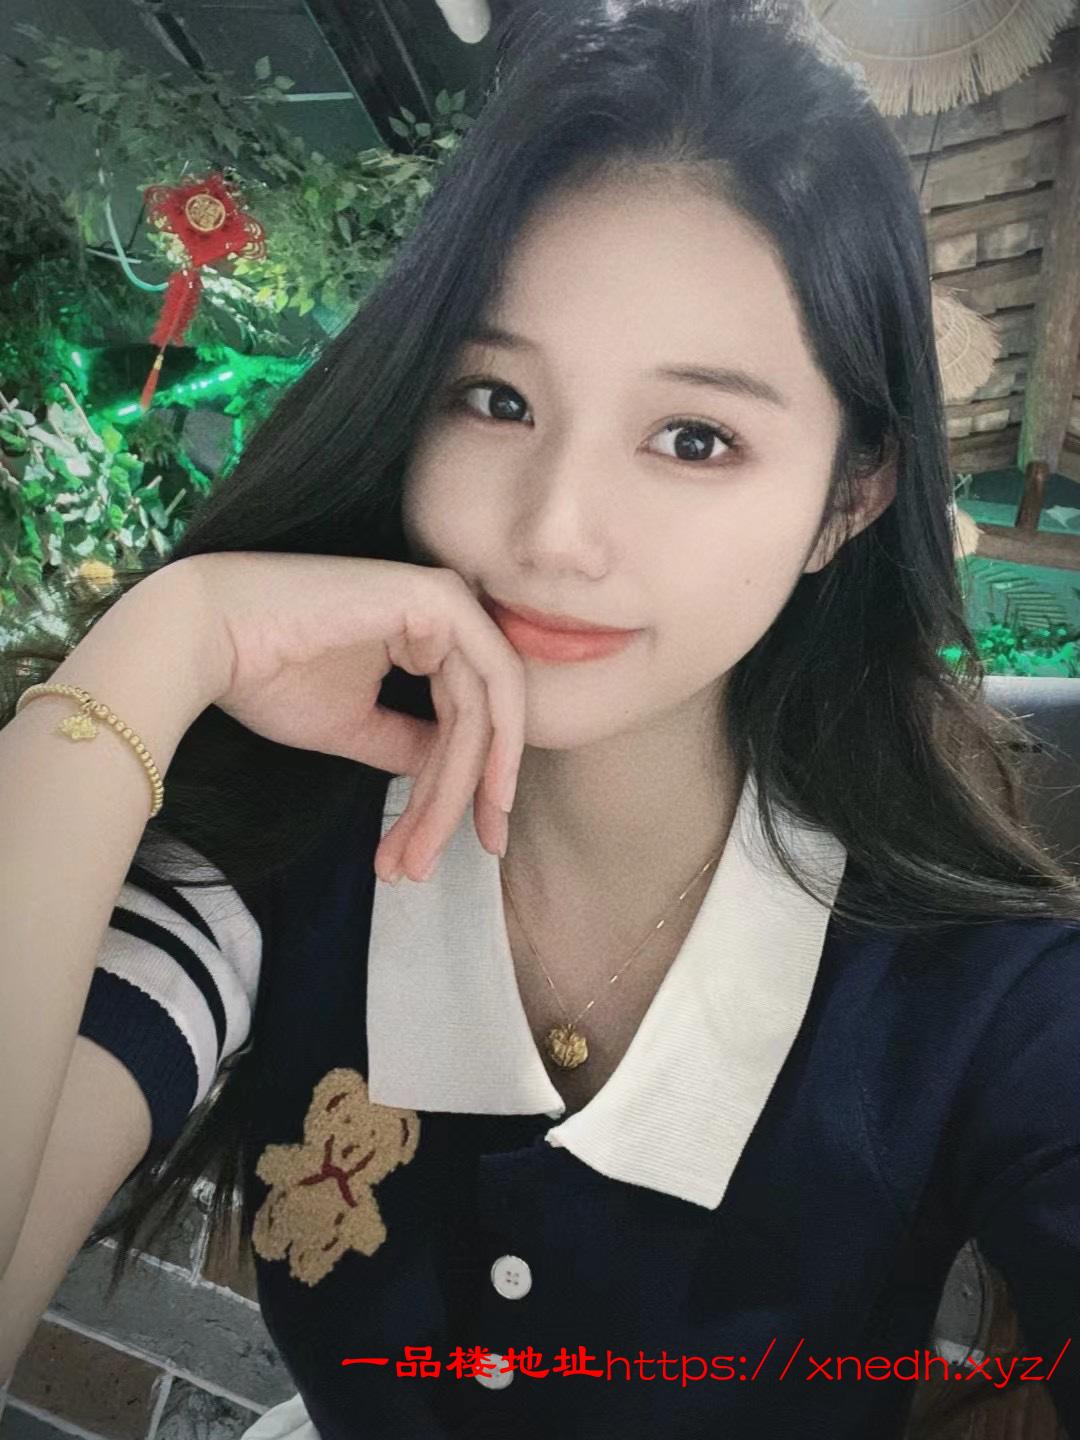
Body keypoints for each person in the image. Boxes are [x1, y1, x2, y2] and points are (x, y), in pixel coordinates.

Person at [1, 0, 1078, 1435]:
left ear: (849, 497)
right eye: (495, 398)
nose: (553, 530)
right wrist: (155, 649)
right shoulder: (280, 862)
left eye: (694, 437)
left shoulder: (986, 996)